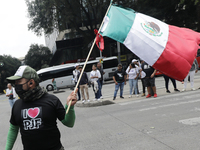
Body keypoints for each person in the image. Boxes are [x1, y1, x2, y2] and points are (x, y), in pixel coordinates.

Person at [5, 65, 77, 150]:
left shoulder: (52, 100)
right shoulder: (17, 104)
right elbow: (13, 129)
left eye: (19, 81)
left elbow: (69, 123)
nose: (16, 85)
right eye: (15, 82)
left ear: (31, 83)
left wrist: (70, 106)